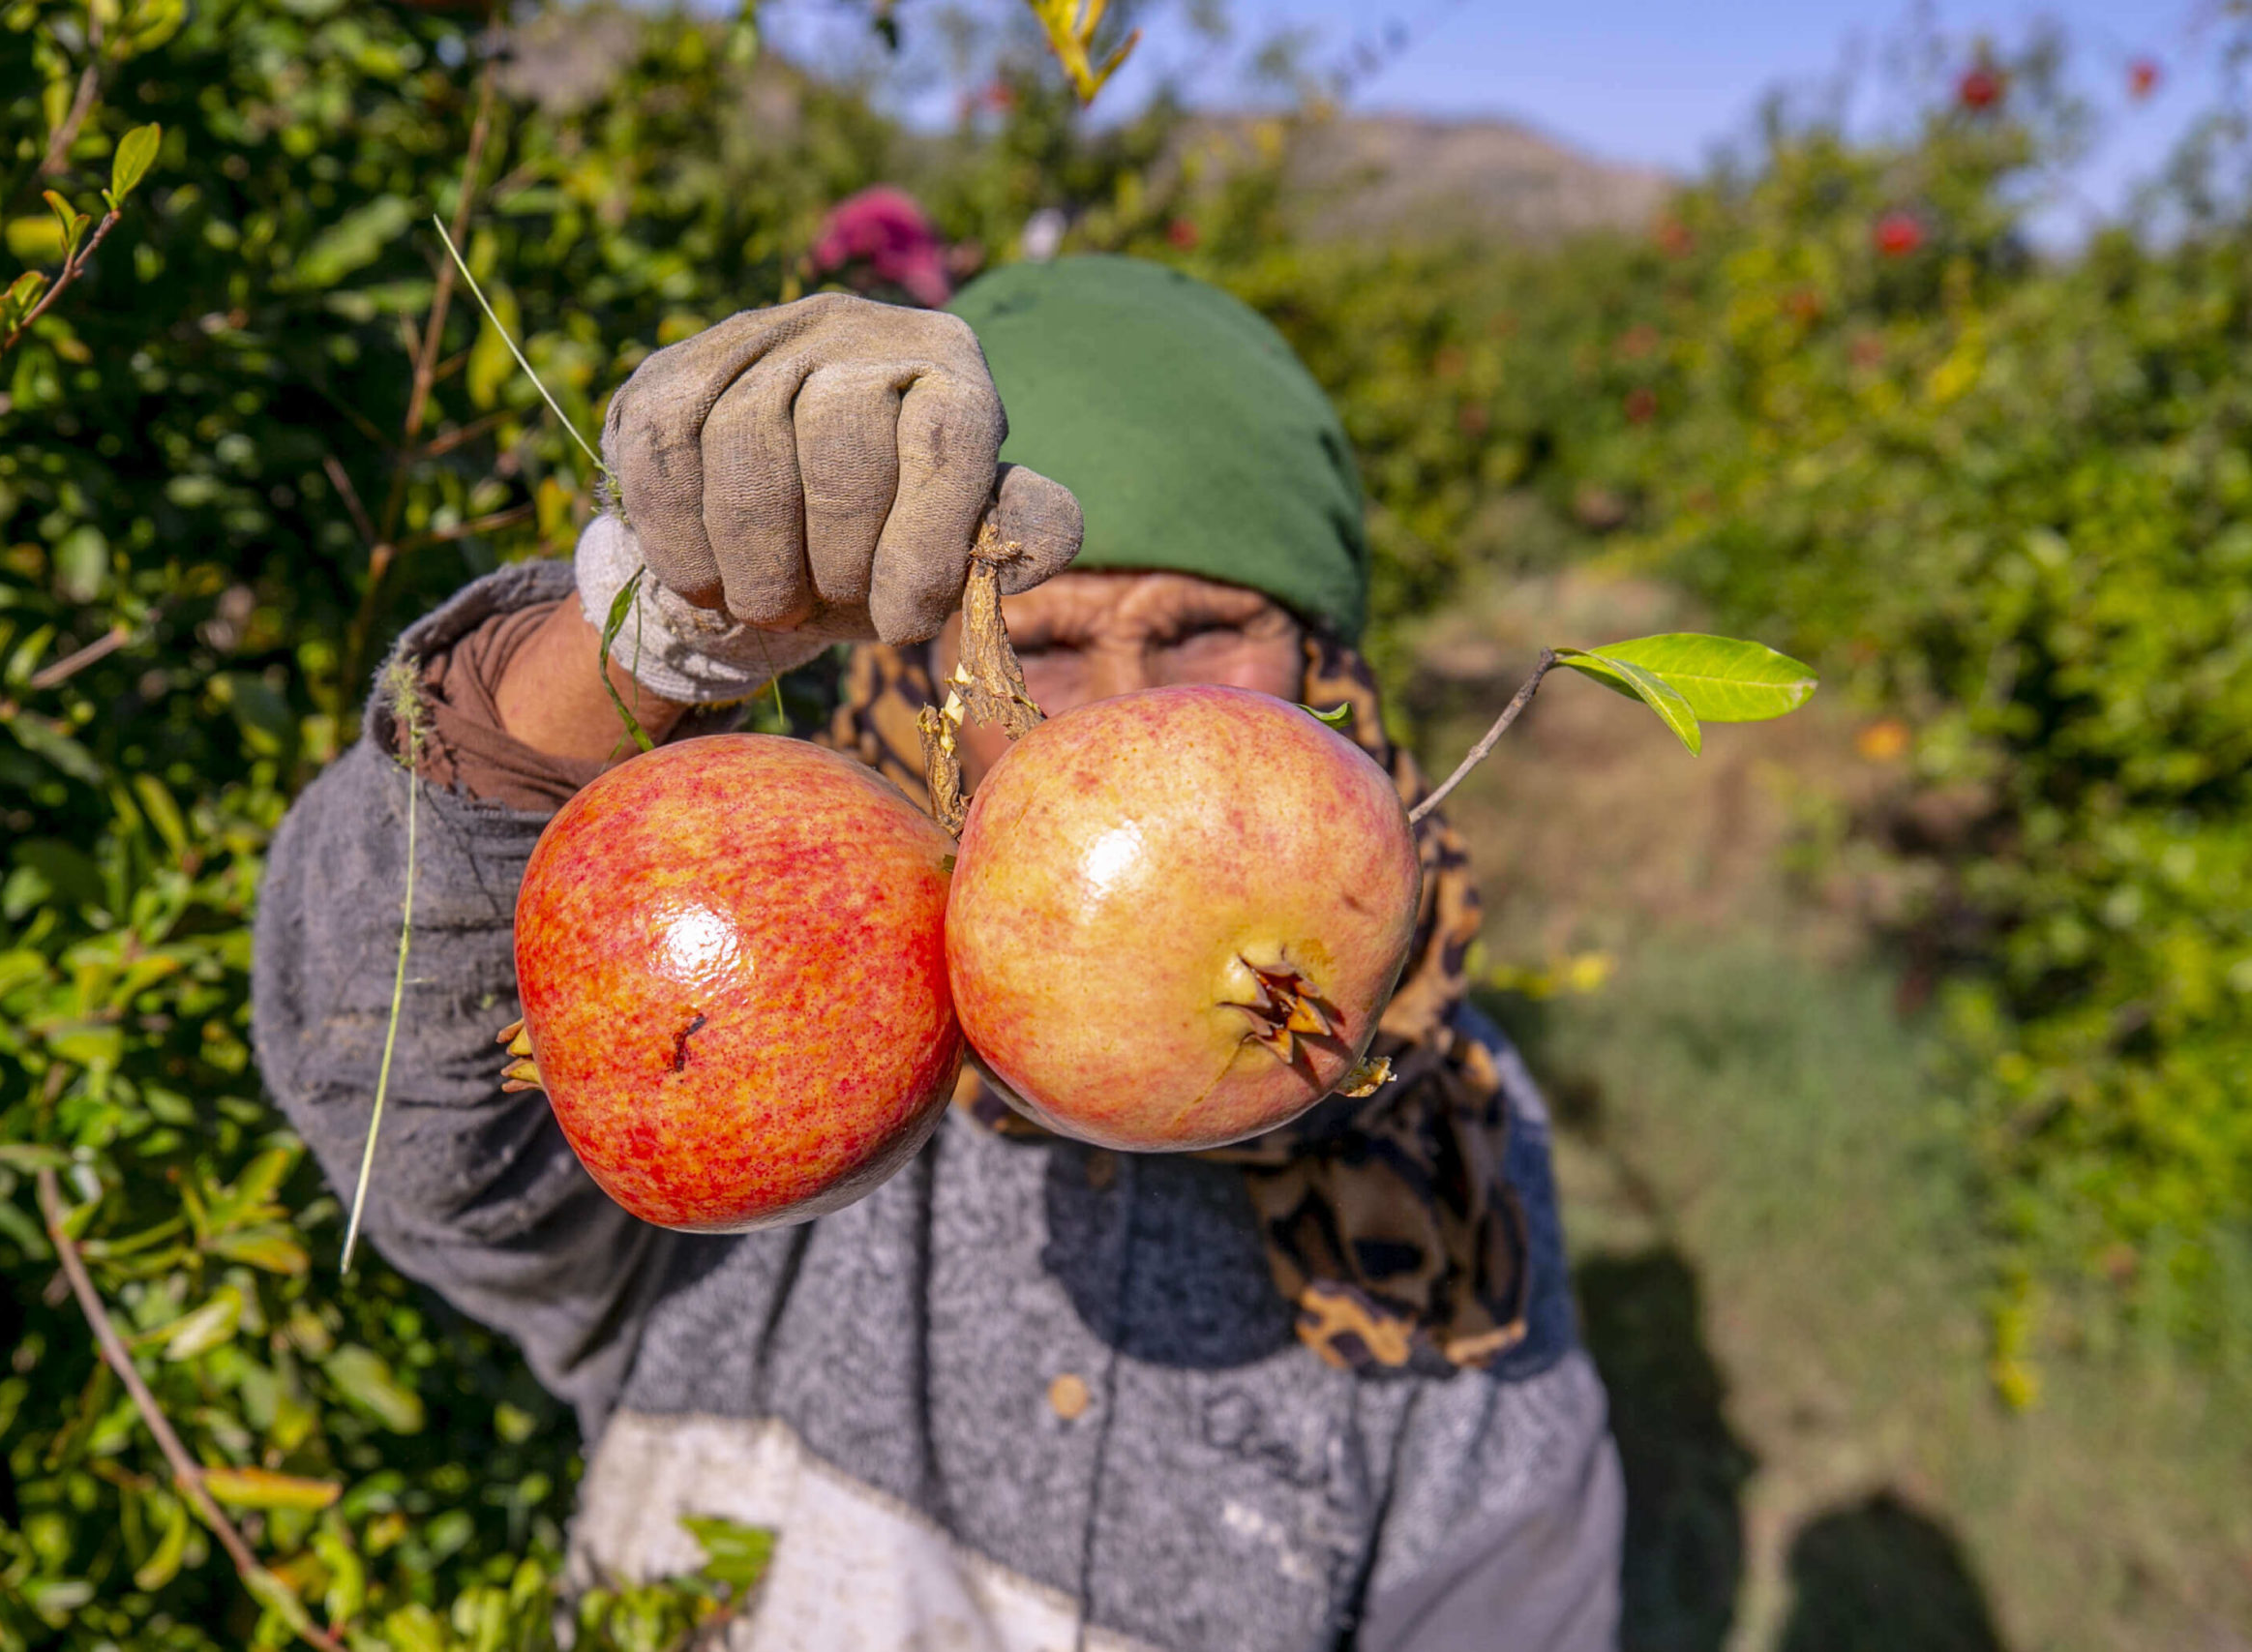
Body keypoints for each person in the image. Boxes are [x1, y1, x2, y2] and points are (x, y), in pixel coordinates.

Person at [253, 255, 1624, 1651]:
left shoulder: (1450, 1139)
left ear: (1326, 672)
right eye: (1047, 639)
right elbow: (376, 1076)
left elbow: (1514, 1595)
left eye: (1207, 627)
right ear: (930, 670)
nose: (1124, 708)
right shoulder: (823, 990)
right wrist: (657, 629)